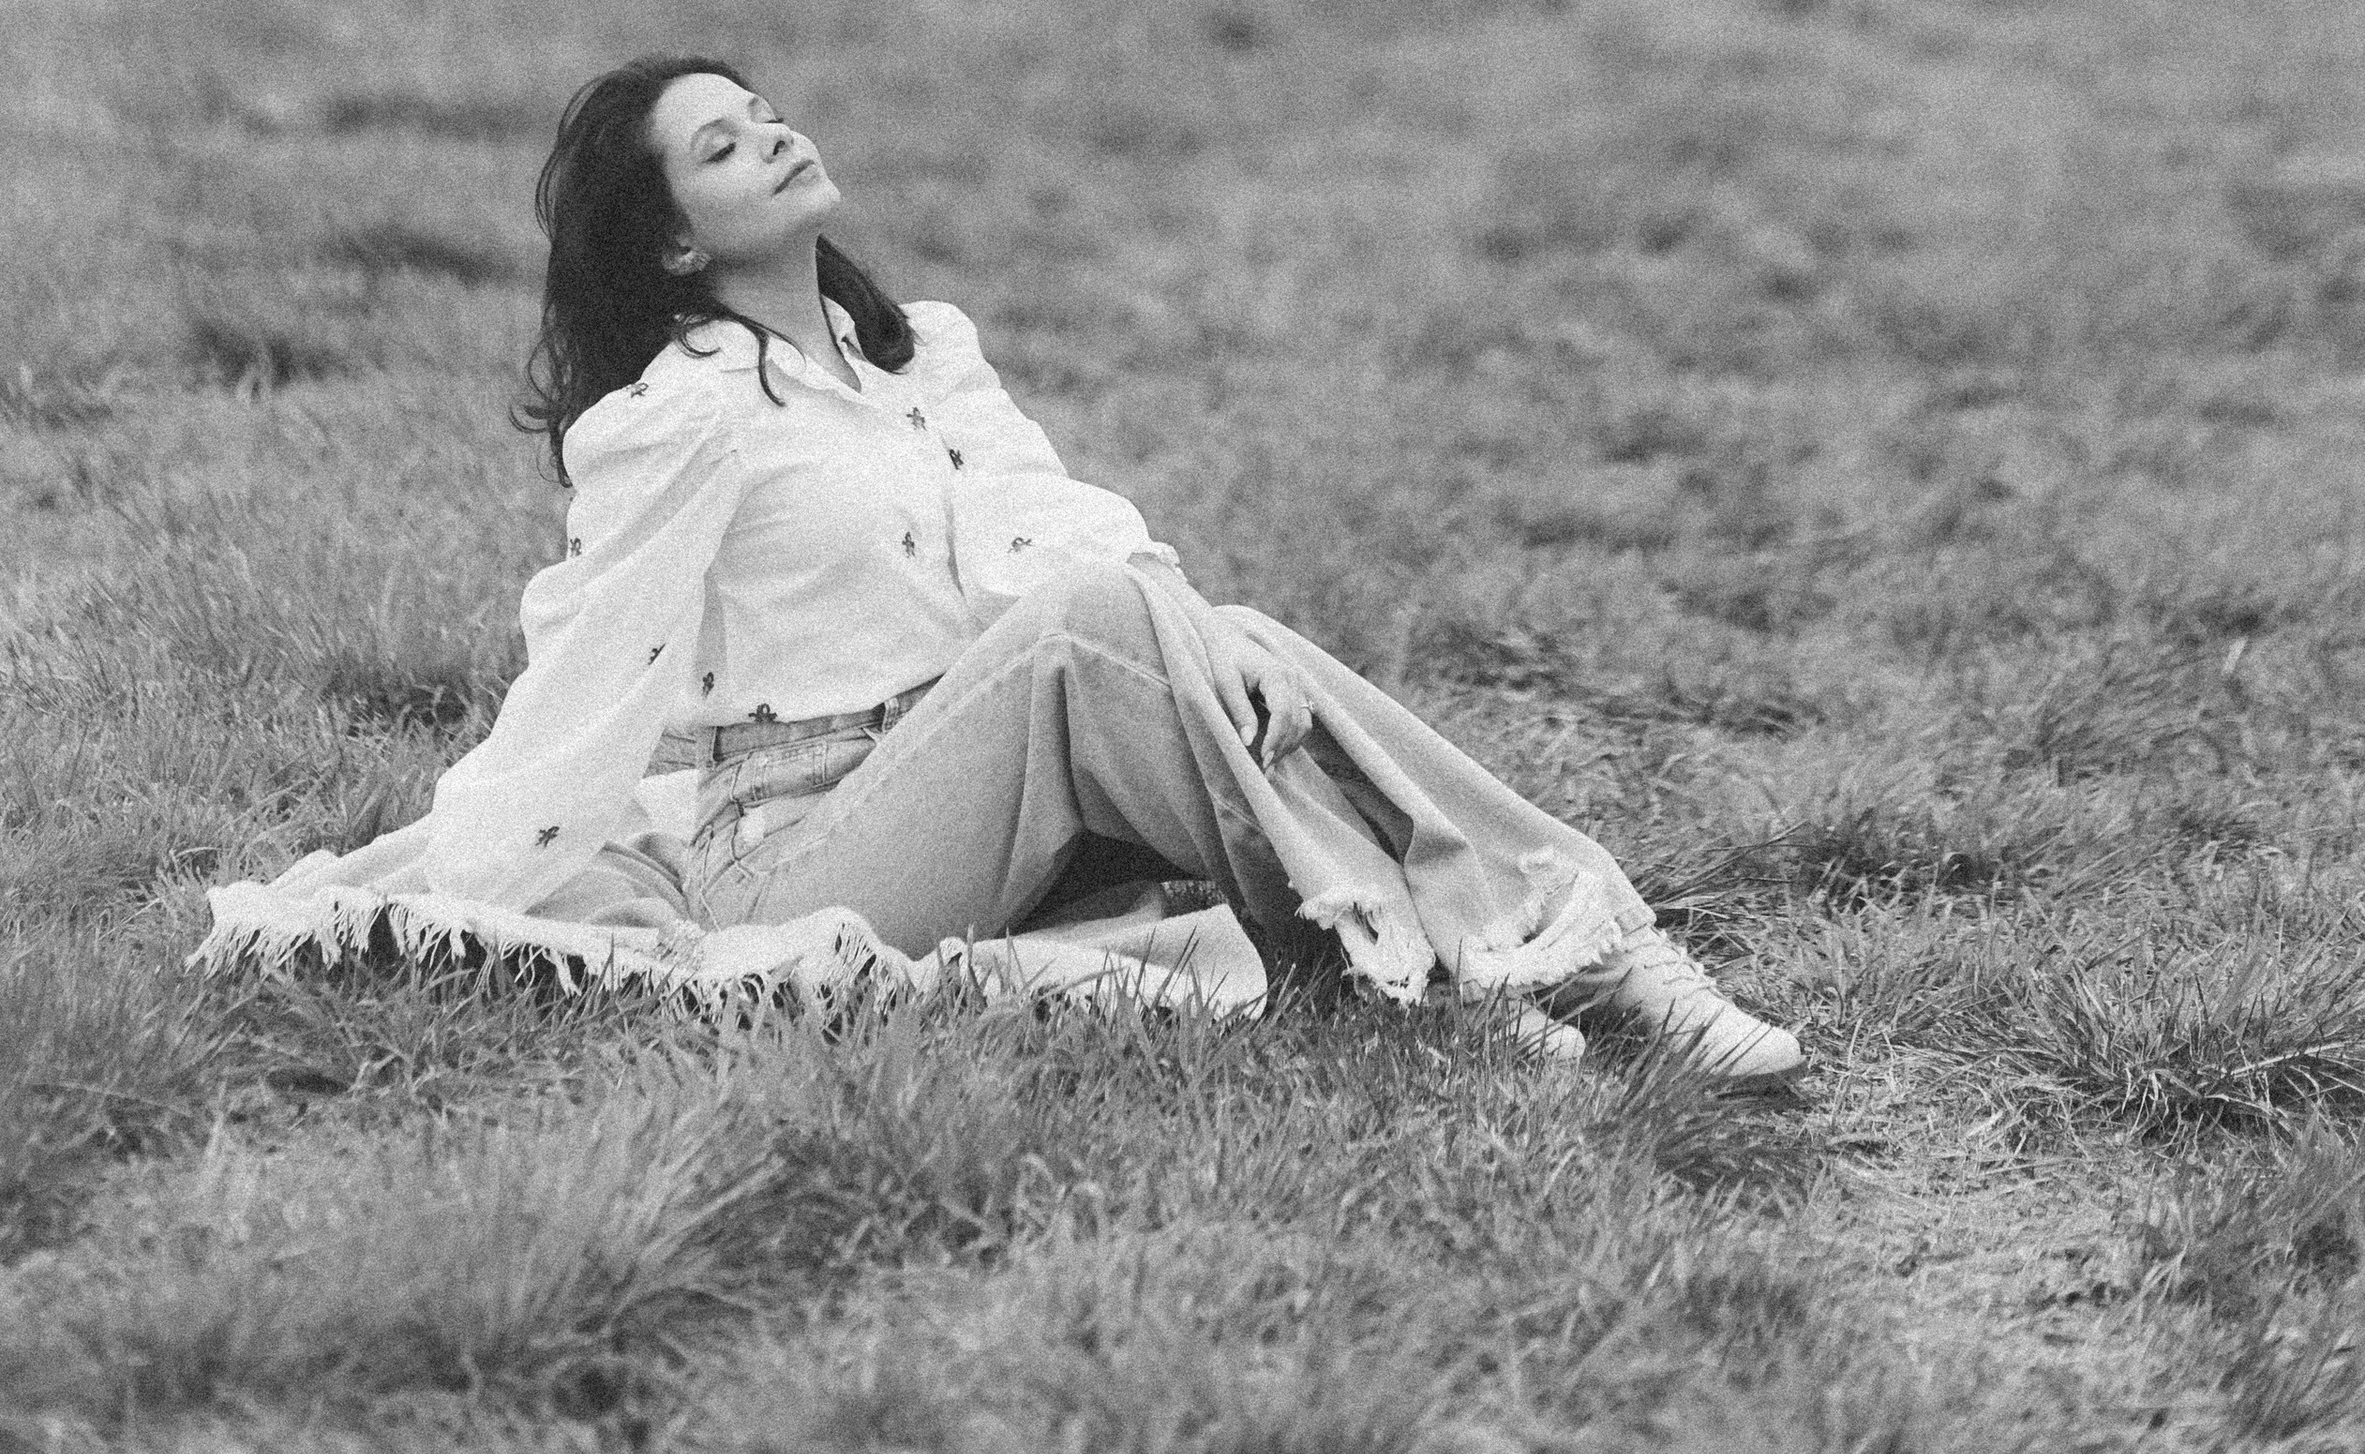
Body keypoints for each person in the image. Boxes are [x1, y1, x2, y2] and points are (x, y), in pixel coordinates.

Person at [416, 53, 1802, 1081]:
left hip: (987, 795)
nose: (776, 140)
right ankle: (1525, 953)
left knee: (1217, 630)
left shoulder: (918, 351)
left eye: (766, 114)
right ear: (672, 237)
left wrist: (1204, 633)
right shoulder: (680, 417)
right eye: (725, 149)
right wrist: (472, 870)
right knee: (1097, 625)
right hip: (800, 852)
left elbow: (1045, 510)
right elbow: (585, 646)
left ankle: (1569, 950)